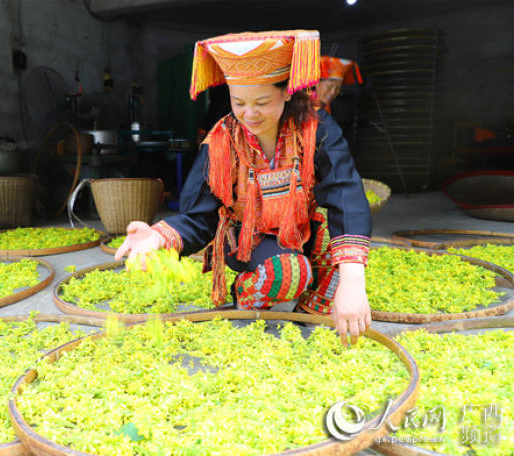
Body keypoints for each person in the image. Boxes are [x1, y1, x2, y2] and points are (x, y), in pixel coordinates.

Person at [116, 30, 372, 345]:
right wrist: (157, 236)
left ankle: (305, 310)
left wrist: (353, 282)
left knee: (344, 263)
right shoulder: (222, 140)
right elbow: (200, 215)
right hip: (247, 240)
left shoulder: (316, 130)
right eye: (239, 103)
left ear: (287, 94)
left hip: (304, 232)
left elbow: (346, 196)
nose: (249, 114)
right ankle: (246, 296)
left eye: (262, 102)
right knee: (289, 272)